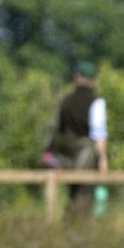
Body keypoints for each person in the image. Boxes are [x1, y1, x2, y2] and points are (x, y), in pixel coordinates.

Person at [43, 61, 108, 216]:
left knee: (72, 194)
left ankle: (69, 228)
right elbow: (98, 134)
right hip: (85, 155)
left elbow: (56, 129)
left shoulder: (64, 101)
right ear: (93, 80)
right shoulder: (96, 102)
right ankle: (79, 231)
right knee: (84, 196)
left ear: (76, 79)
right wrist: (102, 159)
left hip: (62, 156)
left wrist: (50, 156)